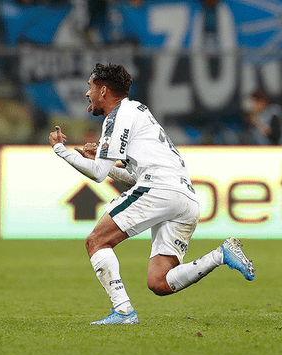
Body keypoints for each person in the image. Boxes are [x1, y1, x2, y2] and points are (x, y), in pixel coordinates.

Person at [49, 63, 255, 325]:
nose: (87, 95)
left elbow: (97, 173)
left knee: (96, 242)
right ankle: (221, 254)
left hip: (159, 189)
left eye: (90, 88)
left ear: (103, 90)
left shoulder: (117, 116)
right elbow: (133, 176)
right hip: (185, 197)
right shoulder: (138, 111)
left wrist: (60, 150)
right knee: (159, 282)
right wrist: (109, 166)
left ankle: (123, 311)